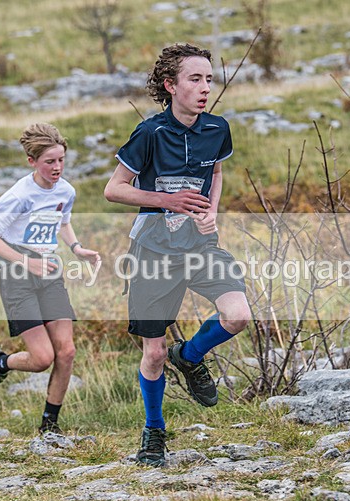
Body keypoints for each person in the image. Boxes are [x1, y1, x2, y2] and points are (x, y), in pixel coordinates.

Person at [104, 43, 251, 467]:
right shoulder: (150, 134)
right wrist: (165, 201)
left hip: (200, 245)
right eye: (194, 79)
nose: (205, 87)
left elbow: (216, 173)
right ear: (170, 86)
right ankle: (154, 432)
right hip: (152, 248)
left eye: (209, 79)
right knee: (152, 353)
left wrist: (211, 213)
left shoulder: (217, 128)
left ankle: (188, 356)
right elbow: (114, 190)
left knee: (237, 314)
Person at [0, 123, 100, 435]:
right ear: (32, 161)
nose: (57, 168)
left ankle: (50, 425)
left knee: (67, 351)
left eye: (61, 160)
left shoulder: (66, 191)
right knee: (42, 358)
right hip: (18, 275)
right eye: (49, 162)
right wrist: (26, 263)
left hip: (49, 272)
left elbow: (63, 222)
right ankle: (0, 364)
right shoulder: (18, 196)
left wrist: (77, 248)